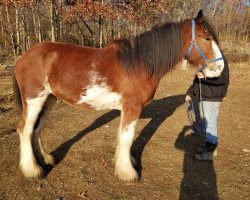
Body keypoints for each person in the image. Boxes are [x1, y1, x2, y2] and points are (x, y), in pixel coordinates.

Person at [185, 56, 229, 161]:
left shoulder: (220, 61)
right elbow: (196, 80)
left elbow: (223, 79)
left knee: (210, 123)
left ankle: (210, 151)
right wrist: (190, 92)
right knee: (206, 123)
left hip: (212, 96)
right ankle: (209, 147)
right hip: (203, 96)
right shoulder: (205, 59)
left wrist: (206, 76)